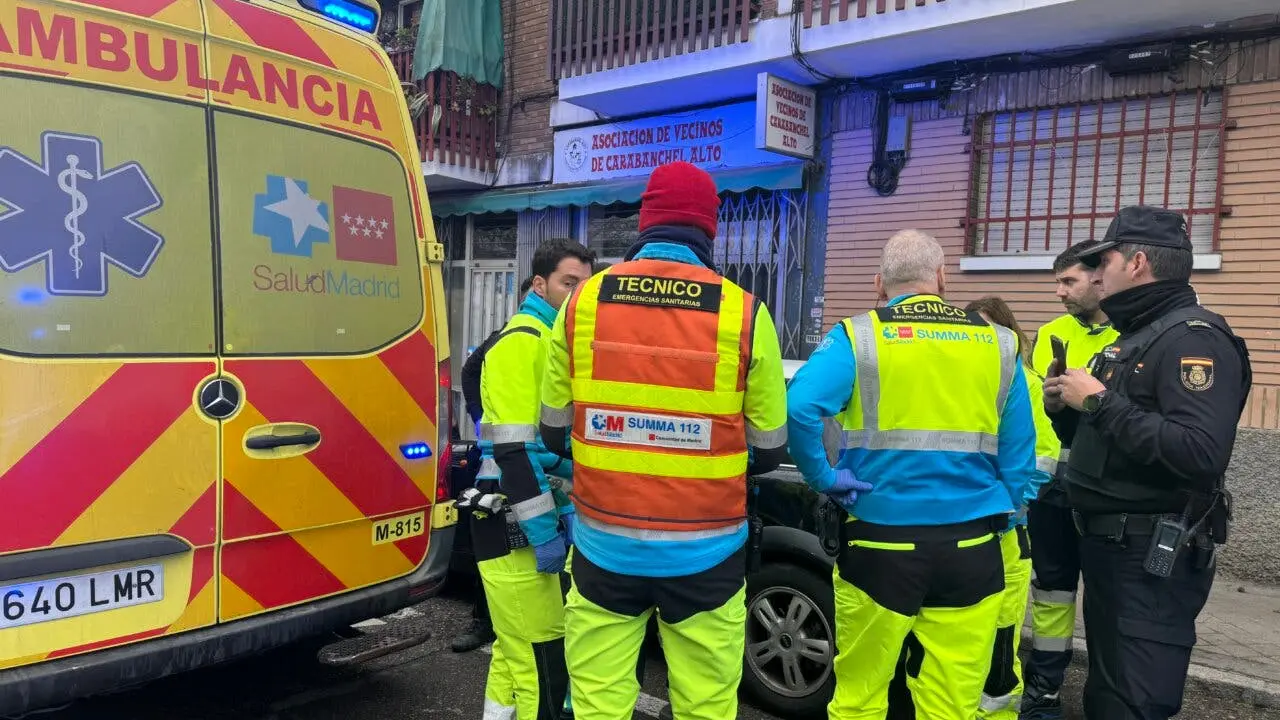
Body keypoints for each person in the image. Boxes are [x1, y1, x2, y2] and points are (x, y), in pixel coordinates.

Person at [539, 161, 789, 720]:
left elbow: (553, 429)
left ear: (644, 222)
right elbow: (771, 448)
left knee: (599, 704)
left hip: (606, 546)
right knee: (705, 705)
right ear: (709, 230)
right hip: (707, 552)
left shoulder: (582, 303)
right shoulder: (745, 314)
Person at [786, 229, 1036, 719]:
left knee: (860, 695)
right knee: (950, 703)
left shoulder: (859, 335)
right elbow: (1020, 451)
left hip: (881, 544)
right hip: (972, 547)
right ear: (941, 278)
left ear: (880, 283)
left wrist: (826, 478)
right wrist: (1002, 507)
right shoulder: (999, 343)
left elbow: (799, 408)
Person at [1043, 206, 1250, 720]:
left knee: (1133, 702)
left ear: (1135, 263)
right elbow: (1113, 439)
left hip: (1150, 555)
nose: (1096, 276)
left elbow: (1199, 453)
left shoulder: (1192, 339)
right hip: (1114, 551)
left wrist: (1098, 401)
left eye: (1103, 262)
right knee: (1107, 696)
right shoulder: (1139, 335)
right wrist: (1066, 408)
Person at [475, 239, 595, 720]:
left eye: (586, 285)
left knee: (511, 654)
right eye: (569, 283)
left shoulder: (549, 340)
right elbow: (512, 449)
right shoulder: (523, 340)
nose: (578, 294)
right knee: (541, 664)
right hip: (513, 524)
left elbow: (543, 449)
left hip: (514, 518)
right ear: (538, 284)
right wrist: (546, 532)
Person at [1021, 241, 1119, 719]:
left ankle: (1110, 697)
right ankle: (1044, 689)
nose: (1059, 292)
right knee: (1052, 593)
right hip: (1052, 491)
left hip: (1106, 495)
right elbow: (1039, 413)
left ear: (1100, 279)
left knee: (1108, 600)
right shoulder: (1051, 333)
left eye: (1068, 282)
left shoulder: (1133, 334)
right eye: (1057, 281)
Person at [965, 297, 1062, 720]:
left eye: (990, 330)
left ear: (1008, 333)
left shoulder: (1027, 381)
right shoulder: (964, 380)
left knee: (1000, 648)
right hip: (967, 532)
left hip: (1005, 532)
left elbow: (1044, 456)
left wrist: (1012, 503)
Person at [452, 275, 536, 654]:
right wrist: (479, 415)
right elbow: (470, 372)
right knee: (495, 550)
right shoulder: (504, 337)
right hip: (497, 467)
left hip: (540, 463)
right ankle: (483, 621)